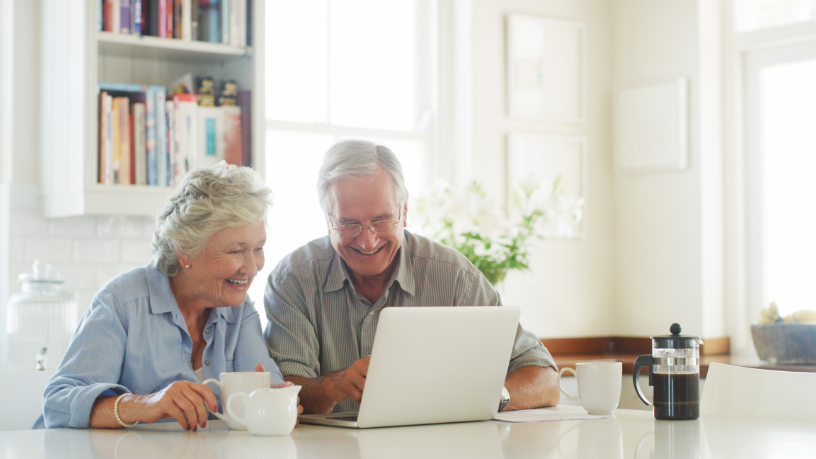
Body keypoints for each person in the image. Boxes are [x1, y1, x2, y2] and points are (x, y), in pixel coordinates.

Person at [264, 139, 559, 415]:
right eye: (348, 224)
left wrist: (490, 398)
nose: (367, 242)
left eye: (381, 220)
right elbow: (286, 392)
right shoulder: (293, 279)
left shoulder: (454, 276)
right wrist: (333, 386)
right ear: (327, 220)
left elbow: (545, 378)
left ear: (404, 212)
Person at [39, 162, 302, 430]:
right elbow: (57, 404)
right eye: (236, 251)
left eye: (259, 248)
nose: (253, 267)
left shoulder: (239, 311)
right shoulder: (122, 302)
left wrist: (278, 398)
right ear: (185, 249)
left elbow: (266, 387)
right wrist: (145, 403)